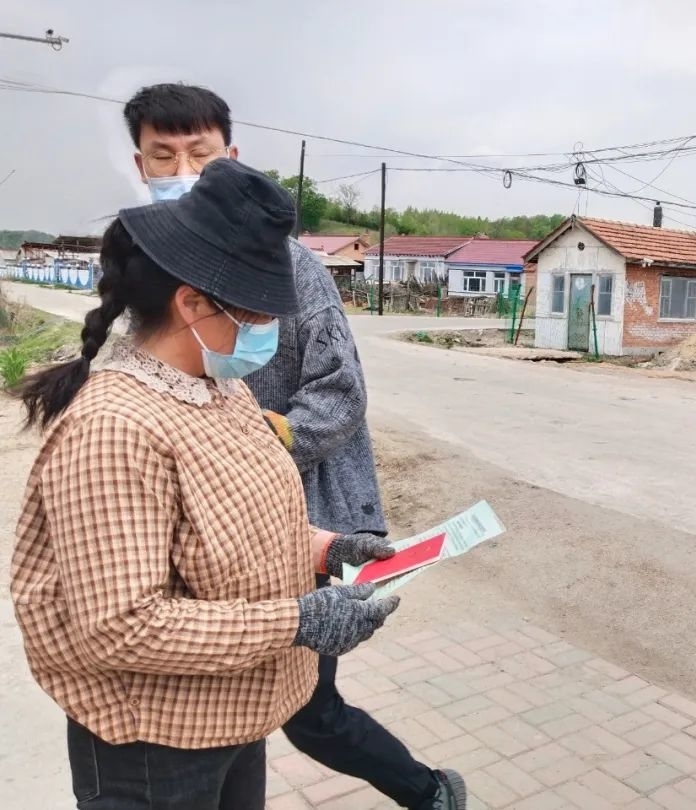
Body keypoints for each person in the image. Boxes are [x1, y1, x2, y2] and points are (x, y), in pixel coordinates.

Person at [10, 158, 401, 809]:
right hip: (152, 746)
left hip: (232, 716)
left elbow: (233, 525)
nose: (271, 331)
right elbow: (120, 626)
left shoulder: (223, 390)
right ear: (191, 303)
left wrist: (325, 549)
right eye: (259, 313)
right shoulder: (115, 429)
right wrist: (297, 622)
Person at [122, 83, 466, 810]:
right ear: (139, 162)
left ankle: (432, 792)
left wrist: (259, 445)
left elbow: (339, 394)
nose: (181, 169)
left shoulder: (295, 270)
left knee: (305, 708)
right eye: (164, 156)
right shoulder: (147, 270)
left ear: (230, 159)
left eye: (199, 154)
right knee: (257, 694)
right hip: (209, 527)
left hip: (290, 511)